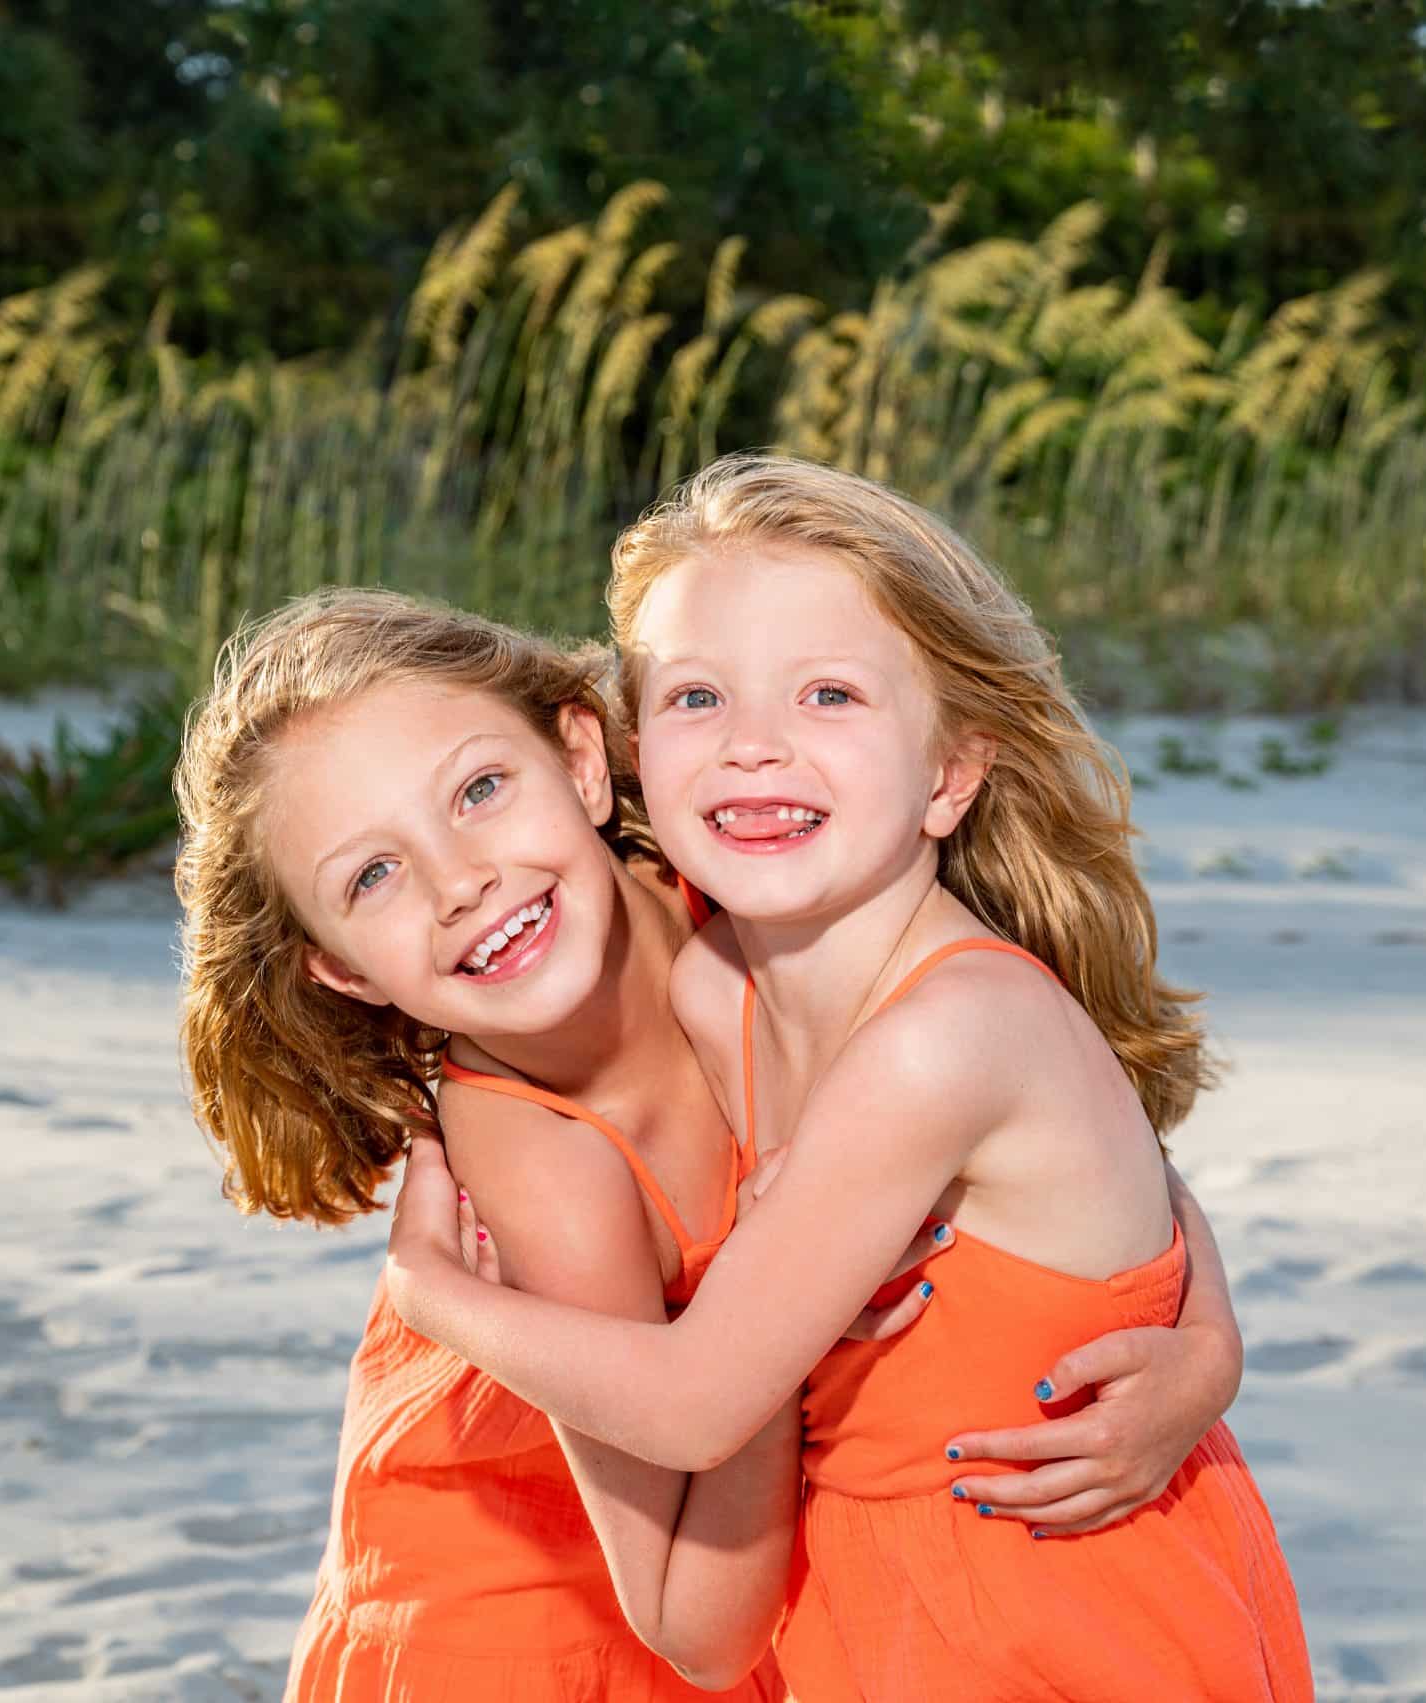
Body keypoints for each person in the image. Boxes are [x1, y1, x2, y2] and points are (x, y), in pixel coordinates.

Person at [173, 587, 1254, 1699]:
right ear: (342, 968)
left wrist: (1208, 1345)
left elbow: (1054, 1102)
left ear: (583, 760)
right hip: (534, 1625)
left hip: (765, 1516)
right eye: (373, 875)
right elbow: (697, 1621)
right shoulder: (539, 1156)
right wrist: (761, 1304)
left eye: (481, 790)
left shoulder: (752, 881)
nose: (462, 881)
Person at [387, 456, 1314, 1700]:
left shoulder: (950, 1031)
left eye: (828, 694)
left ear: (948, 773)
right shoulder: (719, 984)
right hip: (867, 1618)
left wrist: (436, 1295)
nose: (757, 744)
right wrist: (1206, 1330)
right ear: (632, 748)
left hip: (1063, 1617)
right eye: (699, 696)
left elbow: (694, 1404)